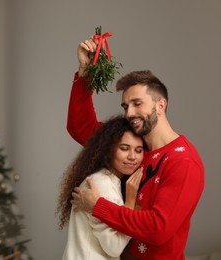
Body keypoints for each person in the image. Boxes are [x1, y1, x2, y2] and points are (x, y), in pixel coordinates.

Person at [67, 36, 205, 259]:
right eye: (125, 106)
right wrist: (85, 73)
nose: (129, 113)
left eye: (137, 104)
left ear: (161, 105)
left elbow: (158, 228)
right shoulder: (131, 147)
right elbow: (79, 126)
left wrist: (97, 206)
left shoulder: (183, 161)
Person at [57, 115, 144, 260]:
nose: (132, 157)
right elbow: (114, 247)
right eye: (124, 148)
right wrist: (130, 203)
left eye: (139, 150)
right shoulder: (102, 184)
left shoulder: (106, 180)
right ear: (108, 150)